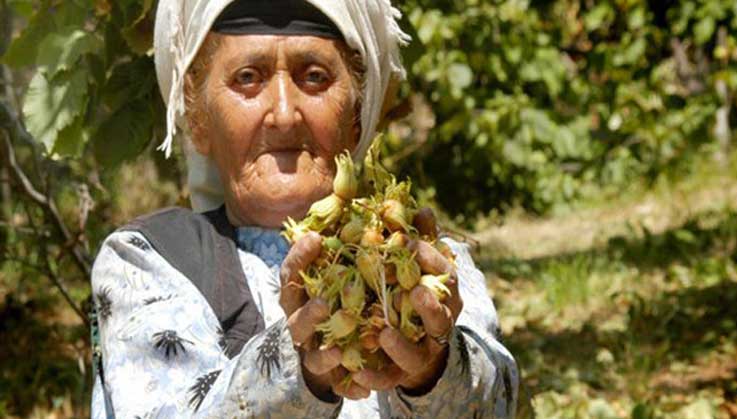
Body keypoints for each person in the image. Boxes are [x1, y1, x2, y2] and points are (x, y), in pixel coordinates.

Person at [89, 0, 518, 417]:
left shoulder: (432, 261)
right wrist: (298, 369)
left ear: (356, 113)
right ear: (200, 119)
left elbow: (497, 402)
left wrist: (434, 371)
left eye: (314, 77)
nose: (283, 114)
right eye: (247, 78)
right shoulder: (148, 258)